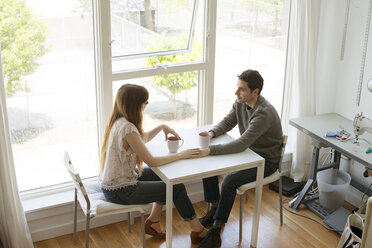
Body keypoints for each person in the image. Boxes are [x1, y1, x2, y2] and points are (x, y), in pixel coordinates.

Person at [99, 84, 208, 244]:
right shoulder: (127, 128)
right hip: (120, 190)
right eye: (144, 103)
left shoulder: (119, 121)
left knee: (165, 176)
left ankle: (153, 222)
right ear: (134, 105)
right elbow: (151, 160)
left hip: (118, 181)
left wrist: (162, 127)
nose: (146, 105)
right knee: (175, 188)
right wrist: (181, 155)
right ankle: (198, 230)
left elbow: (141, 138)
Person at [197, 69, 283, 248]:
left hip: (266, 162)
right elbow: (228, 122)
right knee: (208, 165)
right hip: (249, 155)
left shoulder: (264, 113)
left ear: (255, 91)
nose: (236, 93)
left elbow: (240, 144)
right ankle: (214, 209)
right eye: (237, 88)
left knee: (229, 180)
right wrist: (212, 133)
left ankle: (216, 230)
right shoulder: (240, 103)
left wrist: (209, 150)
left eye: (241, 89)